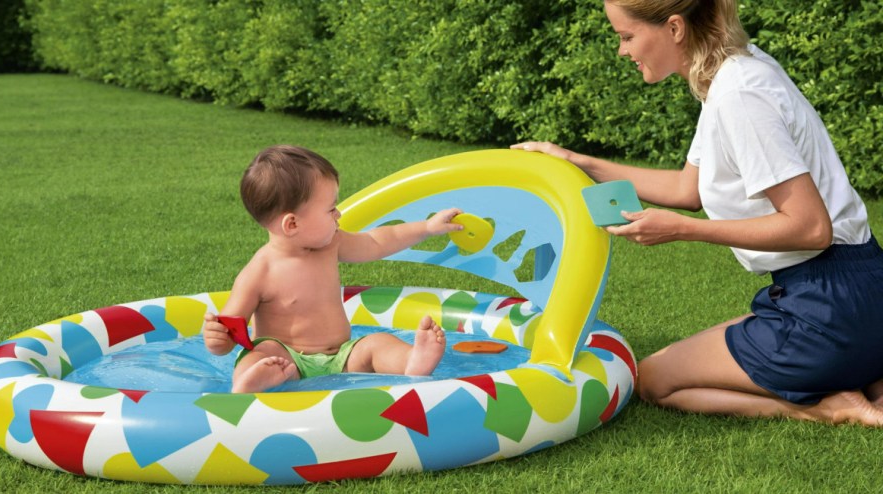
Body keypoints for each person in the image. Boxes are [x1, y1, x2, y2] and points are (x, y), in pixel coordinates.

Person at [513, 0, 883, 426]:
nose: (622, 51)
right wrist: (578, 161)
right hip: (859, 289)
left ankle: (825, 406)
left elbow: (810, 227)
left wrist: (684, 231)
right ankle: (866, 368)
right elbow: (686, 189)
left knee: (653, 380)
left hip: (829, 306)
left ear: (674, 28)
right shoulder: (734, 73)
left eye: (626, 36)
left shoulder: (738, 96)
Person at [203, 144, 463, 393]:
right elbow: (230, 329)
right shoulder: (260, 271)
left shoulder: (332, 244)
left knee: (376, 344)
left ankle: (411, 362)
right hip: (287, 360)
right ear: (292, 224)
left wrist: (427, 228)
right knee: (262, 353)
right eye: (330, 209)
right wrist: (218, 340)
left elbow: (378, 241)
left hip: (341, 357)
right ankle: (254, 379)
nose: (338, 214)